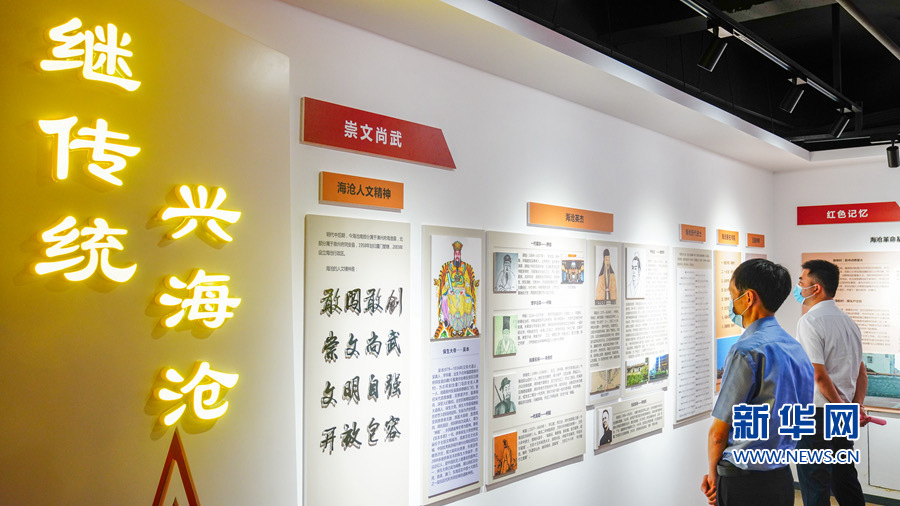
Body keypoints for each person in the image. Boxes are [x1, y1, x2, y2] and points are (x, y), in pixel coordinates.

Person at [701, 258, 814, 506]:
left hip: (743, 483)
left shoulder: (745, 351)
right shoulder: (795, 348)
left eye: (733, 295)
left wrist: (713, 476)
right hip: (781, 478)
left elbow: (719, 433)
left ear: (749, 298)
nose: (731, 303)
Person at [794, 260, 868, 506]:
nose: (798, 287)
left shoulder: (809, 321)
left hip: (817, 415)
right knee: (845, 478)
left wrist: (840, 407)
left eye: (801, 282)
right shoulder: (849, 322)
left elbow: (818, 375)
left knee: (815, 482)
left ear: (816, 288)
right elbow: (861, 373)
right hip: (841, 412)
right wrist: (855, 406)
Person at [433, 241, 479, 339]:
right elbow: (446, 283)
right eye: (456, 254)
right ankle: (446, 320)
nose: (457, 256)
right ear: (454, 254)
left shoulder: (464, 267)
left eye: (458, 254)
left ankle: (469, 322)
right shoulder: (449, 267)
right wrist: (448, 291)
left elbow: (467, 281)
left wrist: (465, 291)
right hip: (451, 293)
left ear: (460, 255)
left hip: (462, 292)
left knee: (468, 300)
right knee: (444, 299)